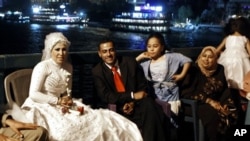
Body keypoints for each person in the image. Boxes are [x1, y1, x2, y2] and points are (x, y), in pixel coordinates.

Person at [10, 32, 143, 141]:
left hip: (61, 105)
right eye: (57, 50)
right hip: (41, 105)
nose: (61, 53)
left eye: (64, 50)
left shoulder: (69, 67)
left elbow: (67, 92)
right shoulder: (43, 67)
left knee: (97, 120)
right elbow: (33, 94)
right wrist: (57, 101)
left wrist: (66, 100)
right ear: (50, 51)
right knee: (63, 132)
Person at [91, 38, 170, 141]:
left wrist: (132, 102)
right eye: (104, 51)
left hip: (137, 105)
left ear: (115, 50)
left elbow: (143, 87)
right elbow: (105, 96)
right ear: (99, 54)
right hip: (117, 108)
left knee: (149, 105)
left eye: (111, 50)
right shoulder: (97, 71)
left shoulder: (130, 62)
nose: (109, 54)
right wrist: (132, 95)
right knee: (153, 117)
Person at [180, 46, 238, 141]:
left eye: (210, 57)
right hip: (195, 103)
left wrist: (225, 104)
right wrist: (209, 101)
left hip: (215, 103)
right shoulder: (194, 70)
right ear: (200, 56)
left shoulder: (219, 69)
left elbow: (224, 89)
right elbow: (187, 92)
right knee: (213, 115)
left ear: (216, 59)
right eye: (204, 56)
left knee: (231, 111)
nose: (206, 59)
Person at [136, 32, 192, 116]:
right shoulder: (146, 63)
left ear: (162, 47)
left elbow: (187, 60)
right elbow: (130, 67)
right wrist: (140, 57)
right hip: (155, 95)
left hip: (171, 94)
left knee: (171, 119)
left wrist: (181, 75)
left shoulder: (170, 57)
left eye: (155, 46)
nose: (151, 49)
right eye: (149, 46)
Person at [216, 17, 250, 89]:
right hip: (241, 60)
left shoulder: (227, 38)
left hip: (227, 59)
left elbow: (217, 50)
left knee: (226, 74)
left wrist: (223, 53)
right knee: (241, 75)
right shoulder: (245, 39)